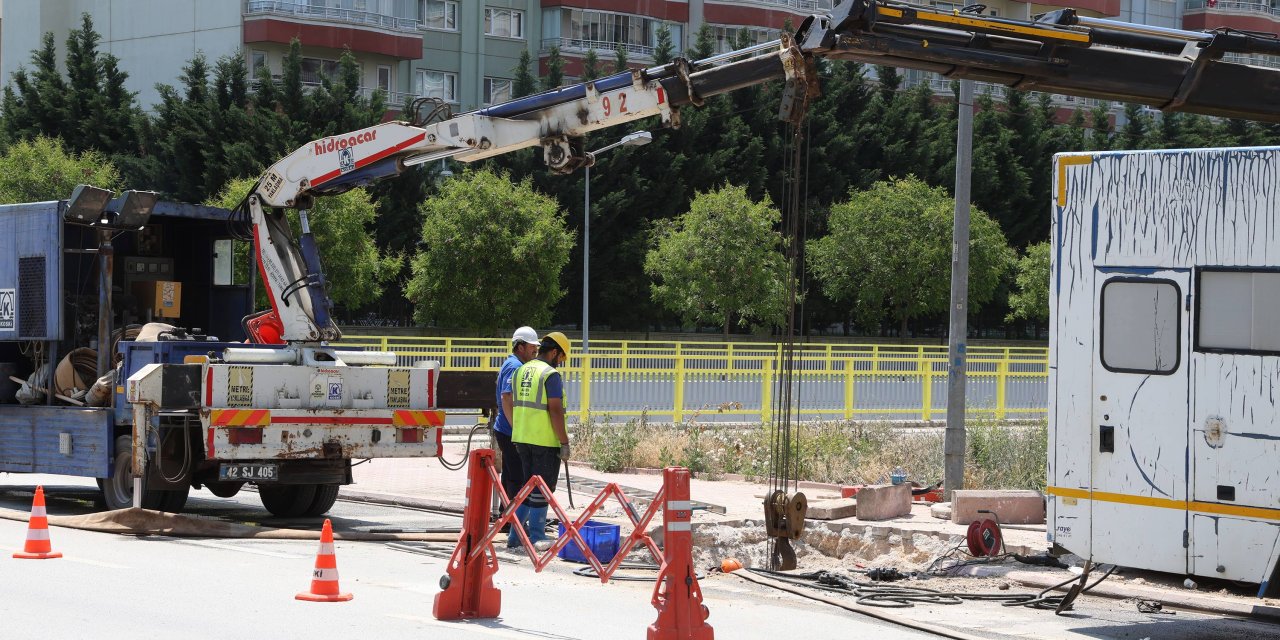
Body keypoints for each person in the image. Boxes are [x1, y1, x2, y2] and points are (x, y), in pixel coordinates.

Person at [510, 331, 572, 548]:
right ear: (554, 352)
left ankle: (515, 537)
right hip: (544, 440)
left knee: (527, 488)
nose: (560, 364)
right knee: (542, 489)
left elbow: (509, 401)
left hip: (522, 437)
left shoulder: (521, 370)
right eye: (561, 358)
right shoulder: (550, 375)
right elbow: (555, 410)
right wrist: (564, 442)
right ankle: (537, 536)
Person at [497, 326, 540, 546]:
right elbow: (506, 397)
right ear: (521, 346)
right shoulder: (515, 366)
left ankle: (506, 518)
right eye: (532, 347)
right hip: (509, 430)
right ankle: (513, 521)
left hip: (505, 429)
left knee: (510, 476)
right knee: (516, 478)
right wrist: (516, 429)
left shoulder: (513, 364)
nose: (535, 351)